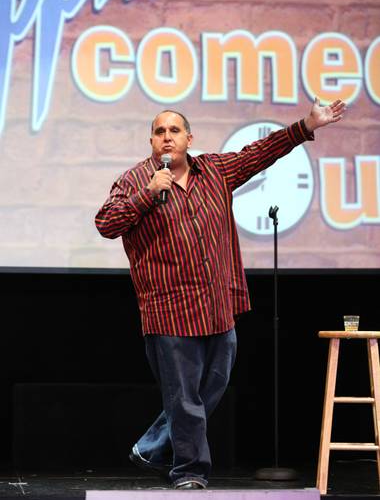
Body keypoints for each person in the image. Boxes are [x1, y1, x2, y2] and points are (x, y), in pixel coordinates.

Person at [95, 98, 346, 489]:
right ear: (150, 140)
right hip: (169, 309)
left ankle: (151, 445)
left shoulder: (214, 170)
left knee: (211, 387)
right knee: (183, 399)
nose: (166, 138)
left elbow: (259, 153)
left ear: (188, 138)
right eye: (159, 132)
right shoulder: (135, 181)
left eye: (174, 131)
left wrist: (306, 124)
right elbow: (106, 223)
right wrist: (147, 194)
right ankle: (189, 472)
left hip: (217, 305)